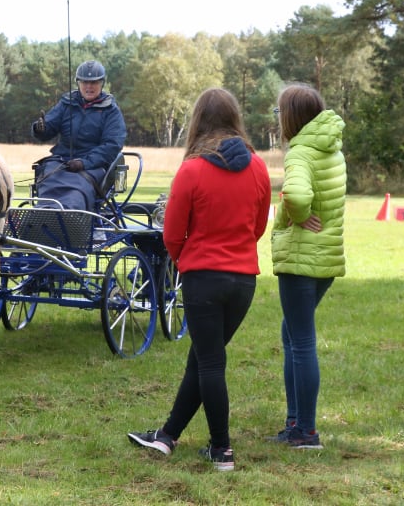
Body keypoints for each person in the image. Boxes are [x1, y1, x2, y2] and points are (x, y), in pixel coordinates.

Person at [127, 88, 271, 472]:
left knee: (209, 362)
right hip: (243, 280)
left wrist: (187, 261)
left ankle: (222, 450)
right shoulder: (258, 167)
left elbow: (172, 233)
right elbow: (258, 226)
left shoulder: (191, 169)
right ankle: (167, 436)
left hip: (204, 276)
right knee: (203, 357)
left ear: (197, 122)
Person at [268, 84, 345, 450]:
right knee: (292, 335)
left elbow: (297, 196)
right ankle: (295, 421)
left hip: (301, 259)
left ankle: (306, 431)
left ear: (291, 116)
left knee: (301, 342)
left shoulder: (299, 151)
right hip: (326, 259)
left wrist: (292, 215)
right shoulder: (331, 147)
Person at [31, 60, 126, 211]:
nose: (89, 86)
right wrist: (40, 128)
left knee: (75, 191)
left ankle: (71, 220)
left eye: (94, 82)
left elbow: (112, 145)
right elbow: (48, 128)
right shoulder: (67, 103)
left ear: (102, 83)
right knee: (48, 178)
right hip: (62, 162)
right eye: (84, 82)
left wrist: (84, 163)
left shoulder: (111, 111)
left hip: (92, 166)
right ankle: (43, 216)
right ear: (78, 83)